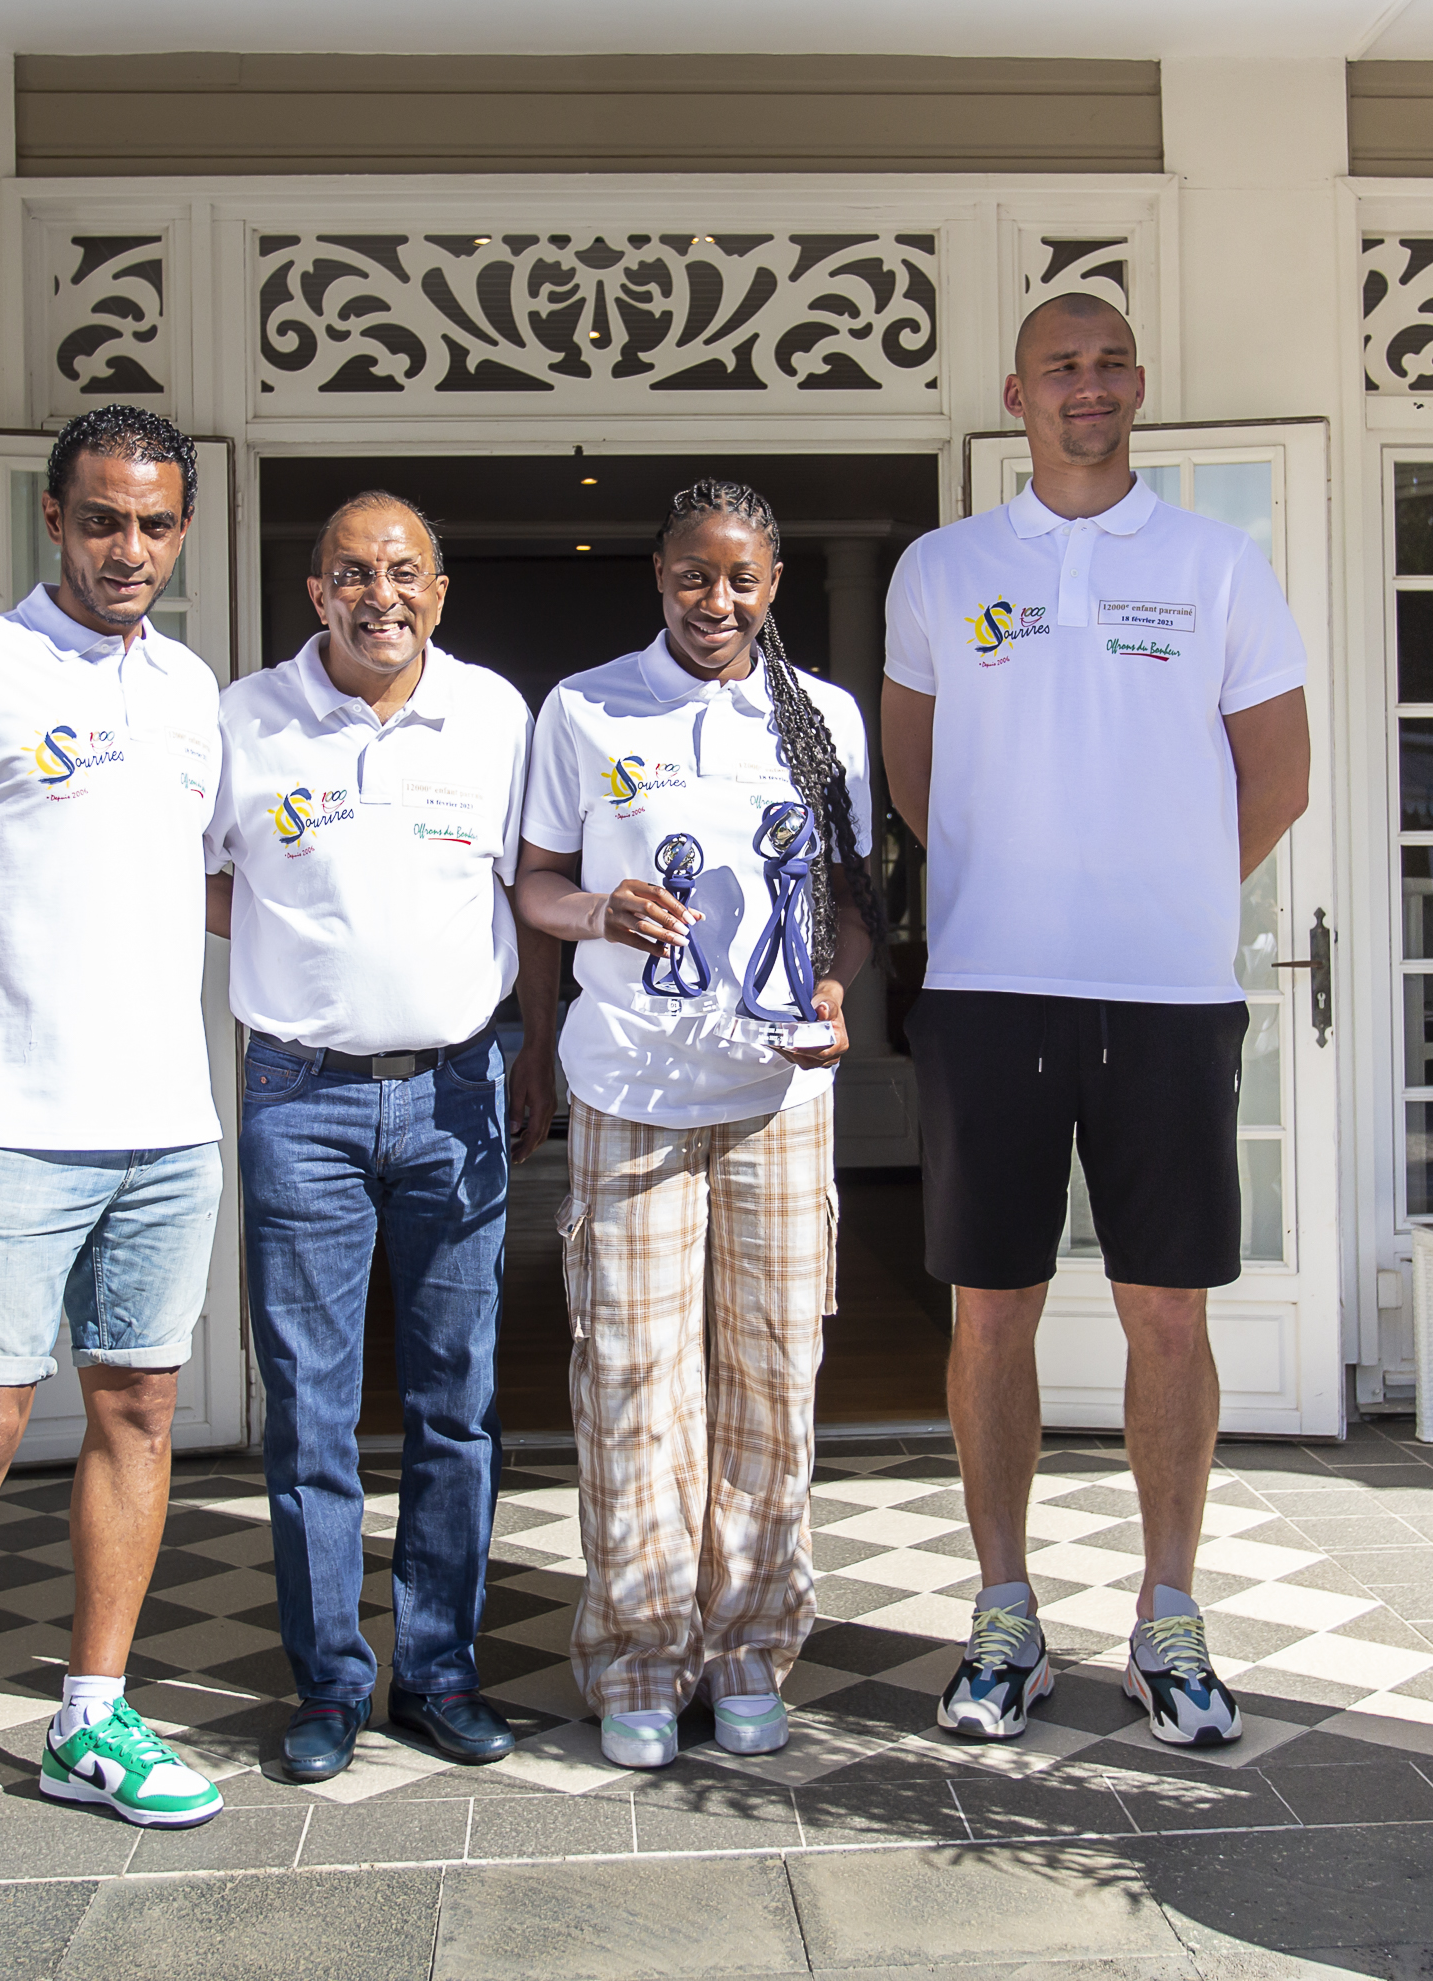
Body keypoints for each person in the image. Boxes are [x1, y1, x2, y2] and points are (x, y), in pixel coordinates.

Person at [880, 295, 1312, 1748]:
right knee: (990, 1307)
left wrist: (1162, 887)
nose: (1089, 384)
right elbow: (915, 773)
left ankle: (1167, 1617)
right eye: (1062, 364)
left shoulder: (1217, 562)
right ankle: (1003, 1615)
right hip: (991, 992)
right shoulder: (943, 570)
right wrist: (1018, 888)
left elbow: (1280, 775)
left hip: (1170, 993)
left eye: (1111, 362)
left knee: (1165, 1309)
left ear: (1138, 385)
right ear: (1017, 392)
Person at [0, 406, 229, 1904]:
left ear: (180, 531)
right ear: (54, 520)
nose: (126, 549)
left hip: (165, 1120)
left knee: (139, 1412)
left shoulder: (195, 688)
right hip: (3, 1118)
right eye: (100, 520)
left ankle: (93, 1713)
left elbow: (198, 887)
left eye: (152, 525)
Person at [515, 479, 885, 1770]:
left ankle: (746, 1642)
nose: (713, 600)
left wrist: (835, 991)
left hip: (778, 1098)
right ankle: (635, 1651)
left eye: (738, 577)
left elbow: (844, 900)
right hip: (630, 1086)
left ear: (772, 582)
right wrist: (594, 916)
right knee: (629, 1378)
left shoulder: (823, 715)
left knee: (770, 1378)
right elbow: (537, 885)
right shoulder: (585, 706)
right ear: (656, 578)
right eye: (690, 576)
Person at [205, 493, 558, 1784]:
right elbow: (194, 872)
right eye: (352, 572)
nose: (379, 593)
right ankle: (330, 1682)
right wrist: (304, 950)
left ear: (440, 591)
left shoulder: (498, 717)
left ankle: (441, 1667)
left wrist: (535, 1048)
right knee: (307, 1407)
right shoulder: (244, 720)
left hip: (460, 1087)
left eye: (403, 570)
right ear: (315, 594)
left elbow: (531, 885)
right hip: (300, 1098)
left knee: (455, 1400)